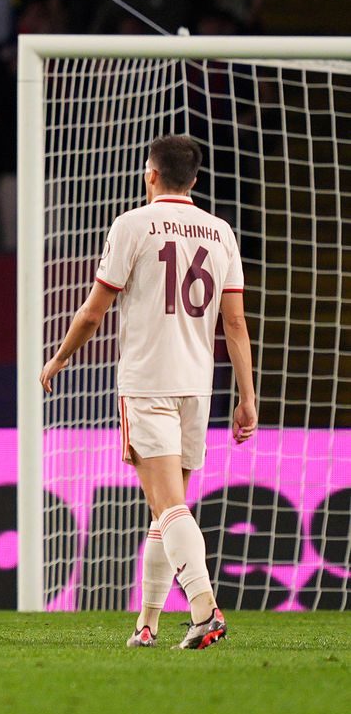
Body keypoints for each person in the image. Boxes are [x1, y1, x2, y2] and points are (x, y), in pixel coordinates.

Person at [40, 135, 256, 650]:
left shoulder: (132, 224)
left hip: (148, 384)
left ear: (150, 174)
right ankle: (149, 623)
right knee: (168, 506)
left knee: (167, 505)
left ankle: (204, 608)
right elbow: (236, 322)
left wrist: (60, 356)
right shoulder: (220, 231)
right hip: (197, 386)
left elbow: (94, 310)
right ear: (195, 180)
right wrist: (247, 397)